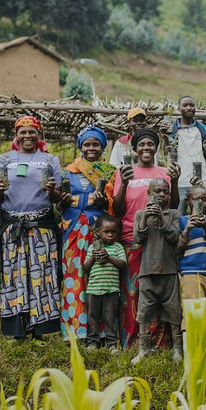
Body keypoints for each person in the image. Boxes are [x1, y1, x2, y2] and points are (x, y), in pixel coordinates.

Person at [0, 116, 66, 340]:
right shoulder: (4, 160)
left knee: (41, 277)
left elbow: (57, 199)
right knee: (14, 276)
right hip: (13, 226)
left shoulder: (49, 160)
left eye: (32, 132)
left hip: (41, 226)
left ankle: (39, 329)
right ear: (16, 134)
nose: (27, 136)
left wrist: (53, 190)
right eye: (22, 132)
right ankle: (17, 329)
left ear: (39, 134)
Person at [111, 129, 178, 346]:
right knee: (133, 291)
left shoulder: (164, 172)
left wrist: (175, 182)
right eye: (142, 144)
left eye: (151, 144)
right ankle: (133, 338)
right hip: (133, 237)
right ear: (135, 149)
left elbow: (174, 205)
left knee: (159, 289)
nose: (146, 148)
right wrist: (124, 183)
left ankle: (159, 340)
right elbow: (118, 210)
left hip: (160, 240)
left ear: (156, 148)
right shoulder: (126, 172)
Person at [60, 126, 115, 341]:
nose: (91, 148)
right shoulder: (69, 171)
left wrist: (103, 201)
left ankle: (100, 330)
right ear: (80, 147)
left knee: (97, 276)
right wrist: (62, 202)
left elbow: (113, 204)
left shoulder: (110, 172)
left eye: (96, 144)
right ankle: (74, 329)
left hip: (97, 230)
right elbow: (61, 203)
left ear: (103, 147)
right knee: (73, 276)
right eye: (87, 144)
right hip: (73, 229)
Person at [132, 178, 183, 363]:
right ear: (149, 194)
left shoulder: (174, 214)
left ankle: (178, 349)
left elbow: (175, 238)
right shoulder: (140, 214)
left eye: (165, 192)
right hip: (147, 271)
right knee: (144, 311)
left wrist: (162, 219)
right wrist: (146, 216)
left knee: (174, 311)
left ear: (169, 195)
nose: (161, 195)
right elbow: (138, 238)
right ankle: (143, 349)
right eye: (157, 191)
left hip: (169, 270)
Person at [178, 184, 206, 356]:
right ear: (188, 201)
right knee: (191, 311)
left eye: (204, 199)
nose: (199, 202)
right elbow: (178, 247)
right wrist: (188, 229)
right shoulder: (182, 220)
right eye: (195, 199)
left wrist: (205, 227)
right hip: (191, 272)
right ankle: (191, 352)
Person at [81, 215, 127, 350]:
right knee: (93, 317)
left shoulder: (118, 247)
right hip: (93, 290)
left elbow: (123, 264)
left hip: (111, 290)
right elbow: (85, 267)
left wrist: (108, 257)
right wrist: (93, 258)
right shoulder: (92, 247)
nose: (111, 235)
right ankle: (93, 342)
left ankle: (112, 344)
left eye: (114, 232)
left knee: (110, 318)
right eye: (107, 232)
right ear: (98, 232)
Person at [165, 95, 206, 202]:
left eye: (191, 105)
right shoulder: (172, 129)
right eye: (185, 105)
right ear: (179, 108)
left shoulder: (202, 129)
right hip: (181, 180)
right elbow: (167, 154)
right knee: (180, 211)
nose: (188, 108)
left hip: (202, 179)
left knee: (202, 210)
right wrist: (165, 136)